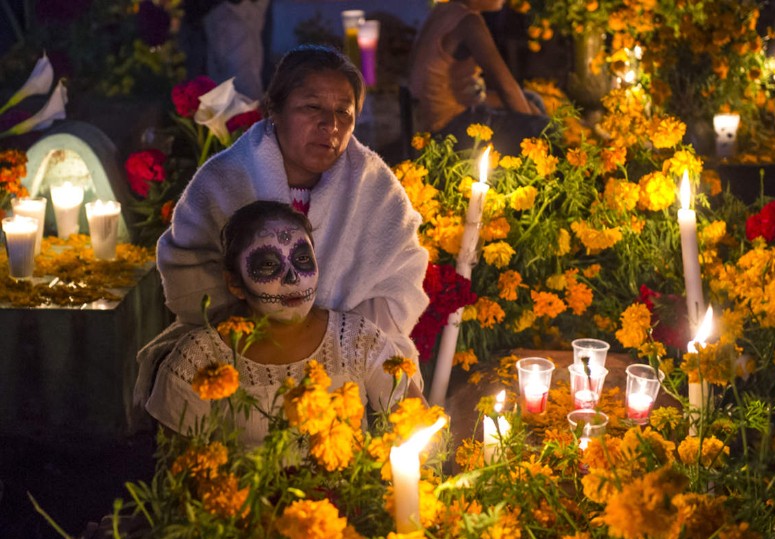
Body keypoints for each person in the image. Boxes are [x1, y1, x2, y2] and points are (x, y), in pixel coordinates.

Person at [135, 44, 428, 407]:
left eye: (343, 112)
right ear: (274, 109)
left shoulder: (376, 188)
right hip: (241, 348)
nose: (330, 125)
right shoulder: (225, 178)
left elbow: (400, 286)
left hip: (349, 356)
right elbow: (187, 275)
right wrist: (270, 331)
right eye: (311, 107)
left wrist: (328, 338)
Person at [146, 201, 412, 446]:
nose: (293, 278)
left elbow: (417, 426)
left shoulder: (358, 340)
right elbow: (177, 478)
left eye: (302, 259)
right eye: (269, 265)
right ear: (234, 283)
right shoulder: (199, 361)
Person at [408, 0, 550, 155]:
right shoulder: (469, 22)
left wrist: (526, 107)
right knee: (543, 129)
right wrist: (533, 123)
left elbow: (455, 89)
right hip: (445, 130)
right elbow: (505, 87)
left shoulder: (446, 9)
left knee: (532, 99)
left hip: (432, 116)